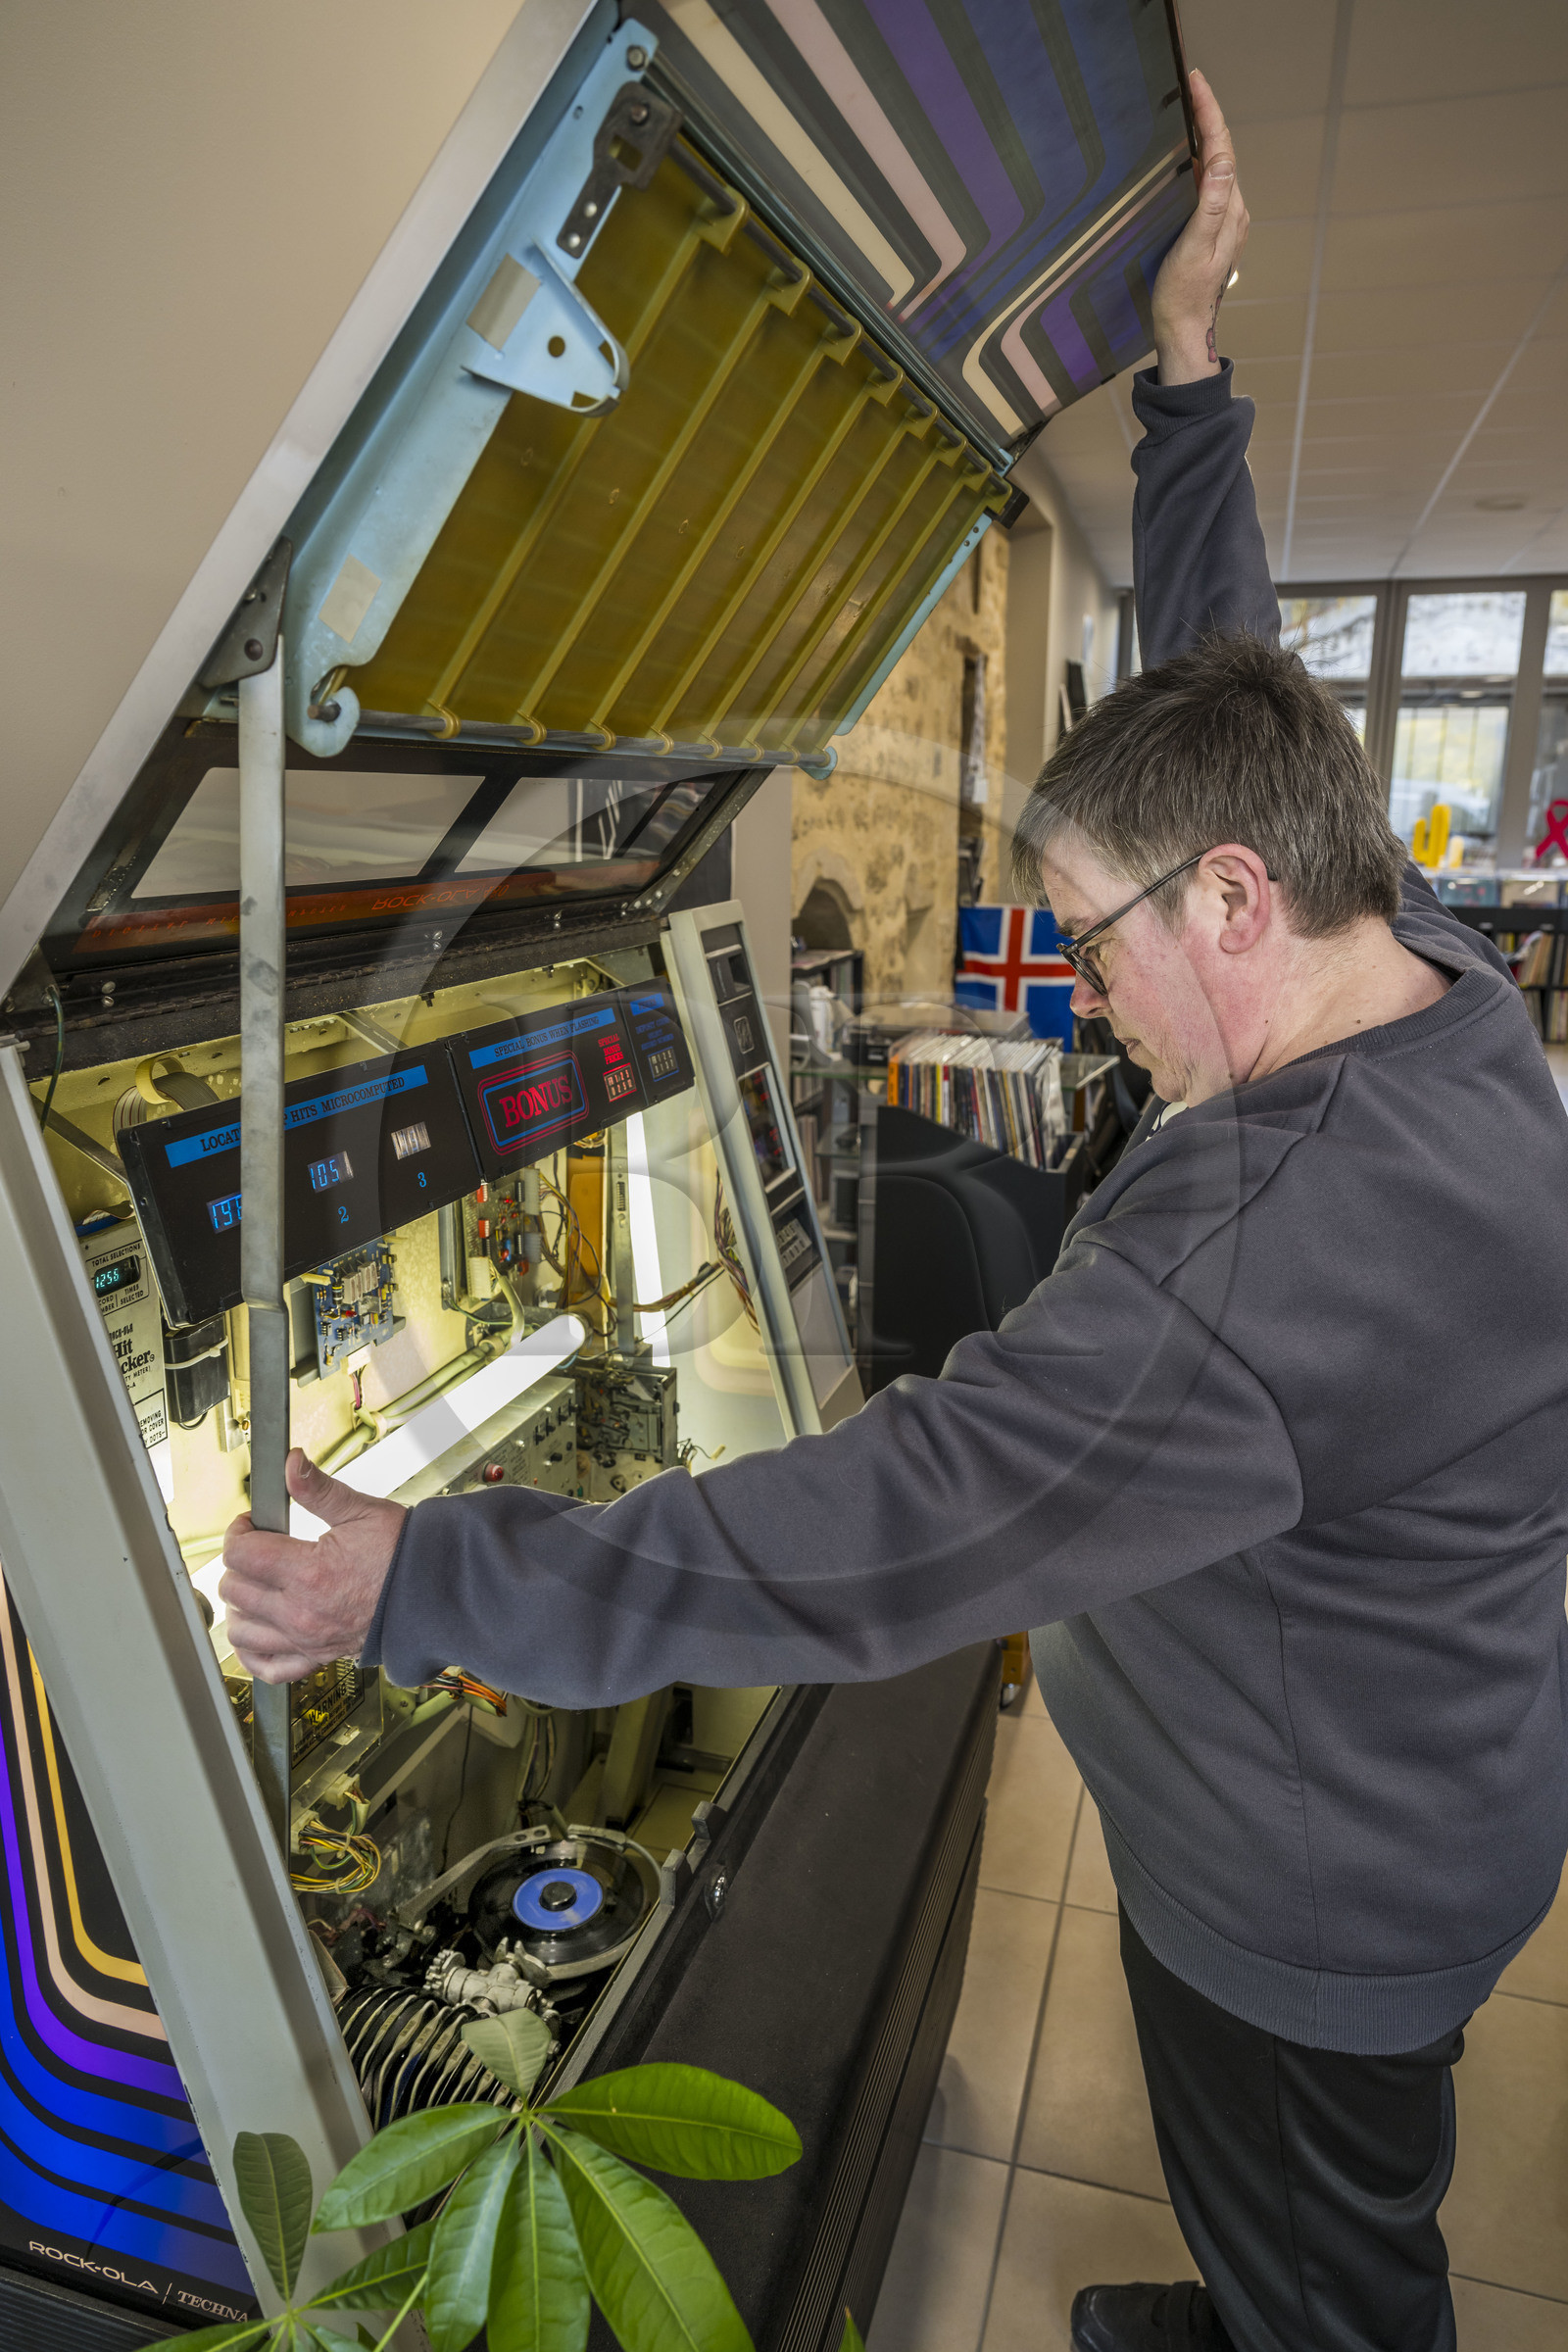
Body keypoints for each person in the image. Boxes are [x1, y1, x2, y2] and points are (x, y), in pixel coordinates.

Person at [221, 74, 1568, 2352]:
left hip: (1311, 1890)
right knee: (1289, 2225)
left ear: (1232, 902)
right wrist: (1188, 380)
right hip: (1388, 1787)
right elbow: (1228, 712)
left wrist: (424, 1572)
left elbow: (894, 1522)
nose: (1090, 995)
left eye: (1100, 943)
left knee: (1338, 2268)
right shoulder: (1413, 968)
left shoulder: (1269, 1258)